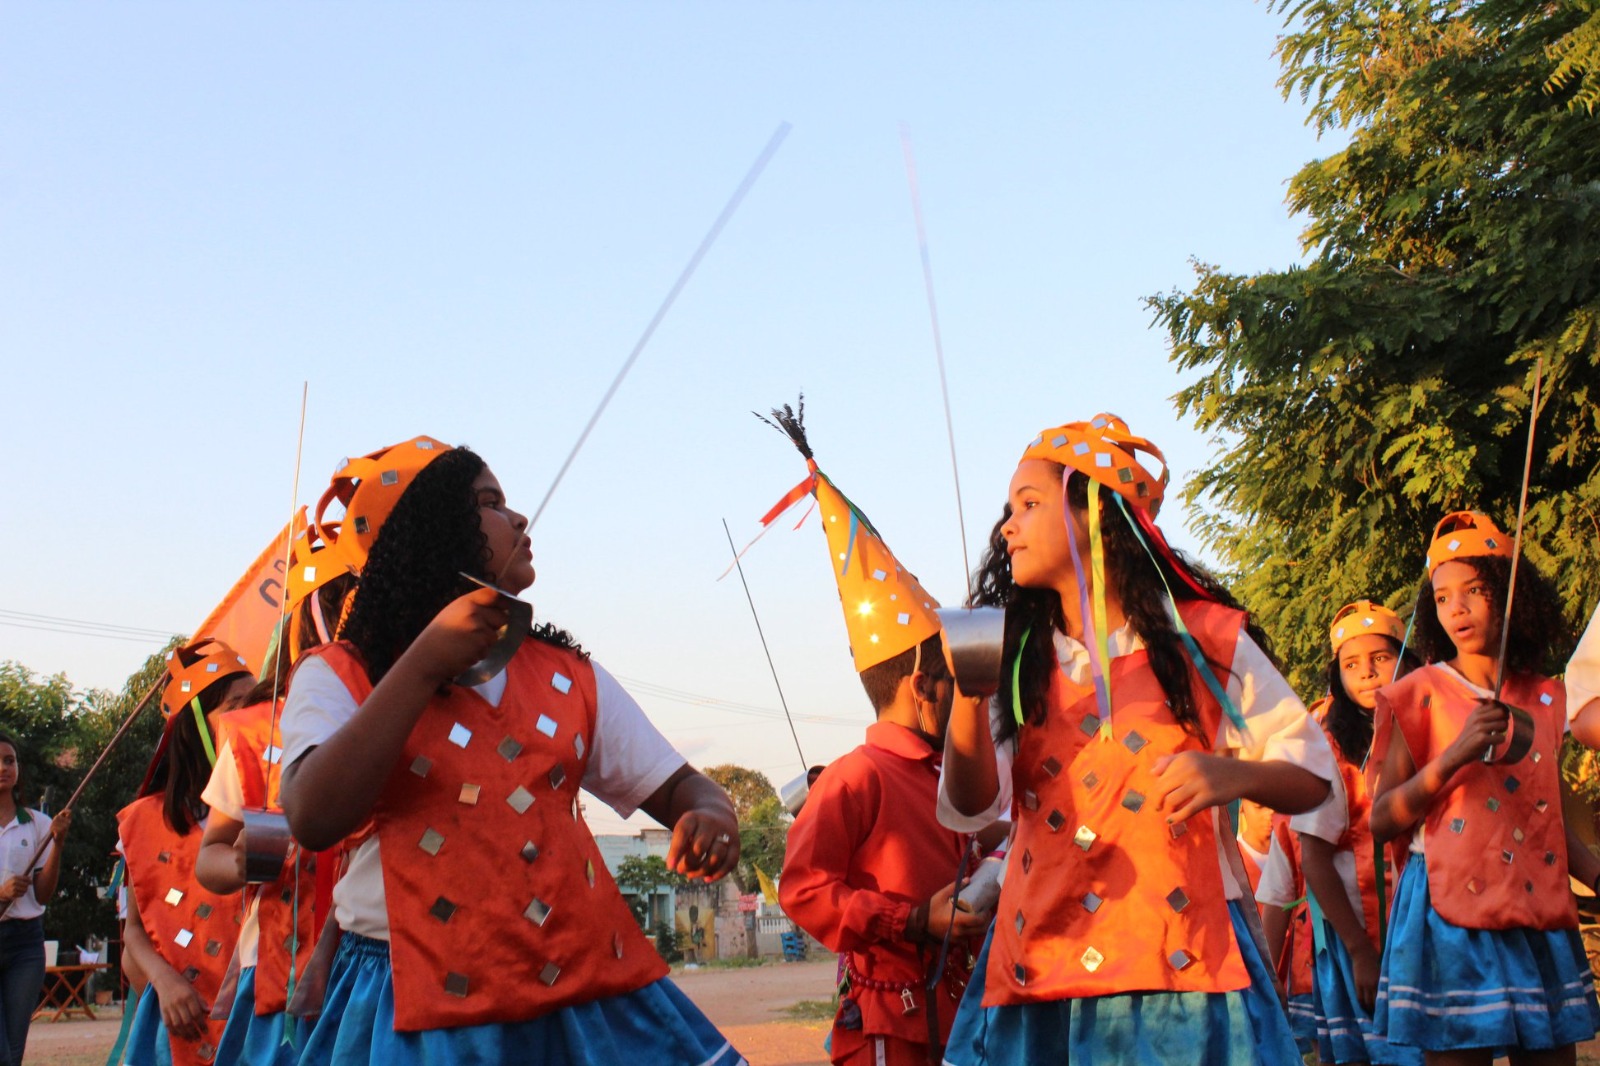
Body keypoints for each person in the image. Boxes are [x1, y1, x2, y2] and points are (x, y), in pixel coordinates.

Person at [277, 438, 746, 1065]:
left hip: (580, 991)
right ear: (426, 531)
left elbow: (682, 788)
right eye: (489, 503)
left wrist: (712, 812)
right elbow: (312, 816)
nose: (519, 519)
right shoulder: (338, 674)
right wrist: (423, 663)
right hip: (414, 1002)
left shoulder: (567, 675)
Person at [938, 413, 1334, 1065]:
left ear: (1094, 516)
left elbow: (1314, 772)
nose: (1007, 526)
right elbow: (974, 802)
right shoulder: (1016, 658)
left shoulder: (1206, 642)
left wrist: (1236, 776)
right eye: (1009, 509)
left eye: (1029, 504)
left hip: (1180, 953)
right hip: (1044, 952)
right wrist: (967, 694)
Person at [758, 404, 995, 1065]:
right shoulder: (857, 776)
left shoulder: (949, 772)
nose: (968, 702)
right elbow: (802, 889)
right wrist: (913, 919)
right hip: (890, 1024)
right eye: (956, 683)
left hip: (960, 1014)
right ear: (925, 685)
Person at [1369, 511, 1600, 1063]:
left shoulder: (1549, 698)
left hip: (1535, 901)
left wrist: (1596, 875)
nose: (1459, 609)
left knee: (1551, 1056)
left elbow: (1552, 815)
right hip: (1447, 905)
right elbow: (1382, 819)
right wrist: (1456, 754)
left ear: (1510, 593)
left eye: (1474, 590)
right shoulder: (1419, 691)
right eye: (1443, 597)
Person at [195, 526, 357, 1065]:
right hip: (276, 973)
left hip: (382, 969)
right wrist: (241, 859)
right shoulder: (250, 734)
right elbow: (210, 858)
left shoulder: (408, 709)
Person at [1291, 600, 1420, 1066]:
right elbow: (1314, 858)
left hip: (1423, 931)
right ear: (1337, 677)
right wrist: (1360, 951)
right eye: (1351, 664)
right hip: (1357, 938)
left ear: (1408, 661)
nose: (1367, 673)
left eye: (1381, 658)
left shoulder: (1434, 728)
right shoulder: (1329, 750)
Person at [119, 639, 255, 1066]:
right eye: (238, 704)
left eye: (261, 703)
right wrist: (165, 982)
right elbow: (134, 932)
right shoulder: (144, 821)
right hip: (182, 1014)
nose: (255, 717)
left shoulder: (279, 805)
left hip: (256, 1011)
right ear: (195, 725)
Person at [0, 733, 69, 1066]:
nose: (3, 768)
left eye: (9, 761)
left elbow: (43, 894)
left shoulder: (38, 824)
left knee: (13, 1049)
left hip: (25, 944)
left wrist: (58, 843)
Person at [1255, 813, 1316, 1057]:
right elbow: (1277, 900)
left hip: (1393, 955)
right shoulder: (1290, 821)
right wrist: (1268, 977)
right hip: (1314, 968)